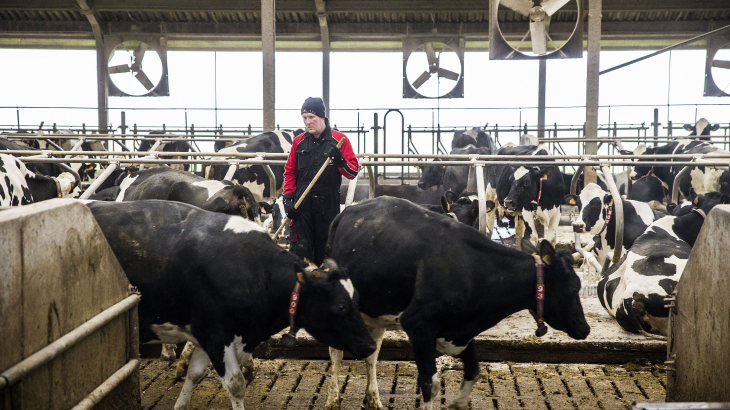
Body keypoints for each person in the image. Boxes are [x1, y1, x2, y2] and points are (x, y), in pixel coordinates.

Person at [282, 97, 359, 265]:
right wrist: (287, 198)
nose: (308, 122)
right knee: (300, 253)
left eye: (311, 117)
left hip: (328, 207)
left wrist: (341, 162)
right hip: (301, 206)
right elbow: (290, 172)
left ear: (322, 117)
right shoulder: (299, 142)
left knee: (324, 256)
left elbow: (353, 172)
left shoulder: (339, 141)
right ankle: (299, 291)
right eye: (304, 118)